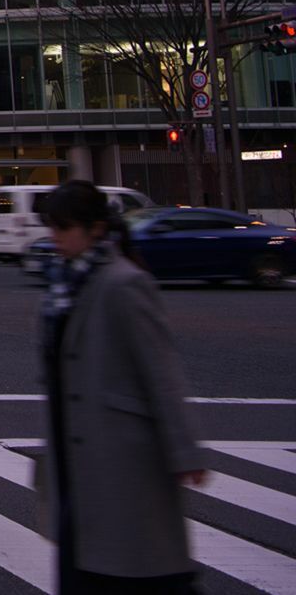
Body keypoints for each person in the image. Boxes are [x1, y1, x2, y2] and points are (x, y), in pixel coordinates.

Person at [37, 181, 207, 593]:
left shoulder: (123, 283)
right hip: (77, 450)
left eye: (63, 228)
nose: (54, 238)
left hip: (122, 454)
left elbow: (161, 370)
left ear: (95, 228)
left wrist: (184, 450)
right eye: (51, 228)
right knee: (91, 565)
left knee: (134, 572)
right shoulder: (64, 282)